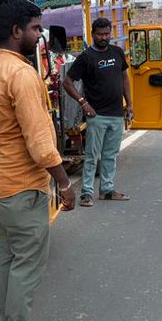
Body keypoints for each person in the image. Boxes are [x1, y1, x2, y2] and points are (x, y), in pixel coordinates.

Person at [0, 0, 76, 321]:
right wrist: (64, 183)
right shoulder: (21, 74)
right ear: (16, 31)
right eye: (35, 28)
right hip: (21, 184)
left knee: (9, 258)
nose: (39, 34)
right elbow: (40, 143)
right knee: (27, 262)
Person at [62, 17, 133, 206]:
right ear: (93, 34)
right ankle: (86, 193)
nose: (104, 37)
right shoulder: (86, 57)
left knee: (110, 155)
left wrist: (130, 104)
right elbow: (67, 83)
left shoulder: (117, 53)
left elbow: (124, 78)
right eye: (100, 34)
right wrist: (83, 103)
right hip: (97, 115)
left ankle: (107, 190)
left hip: (116, 114)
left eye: (107, 34)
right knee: (93, 157)